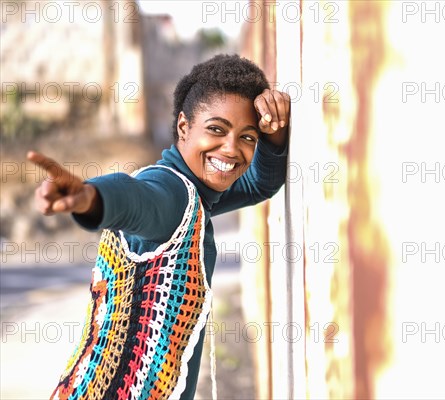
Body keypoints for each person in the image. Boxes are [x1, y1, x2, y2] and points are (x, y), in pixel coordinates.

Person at [28, 54, 290, 400]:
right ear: (183, 127)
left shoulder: (200, 195)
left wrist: (274, 135)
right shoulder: (175, 195)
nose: (231, 149)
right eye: (216, 129)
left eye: (248, 137)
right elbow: (136, 200)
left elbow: (258, 184)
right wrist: (91, 197)